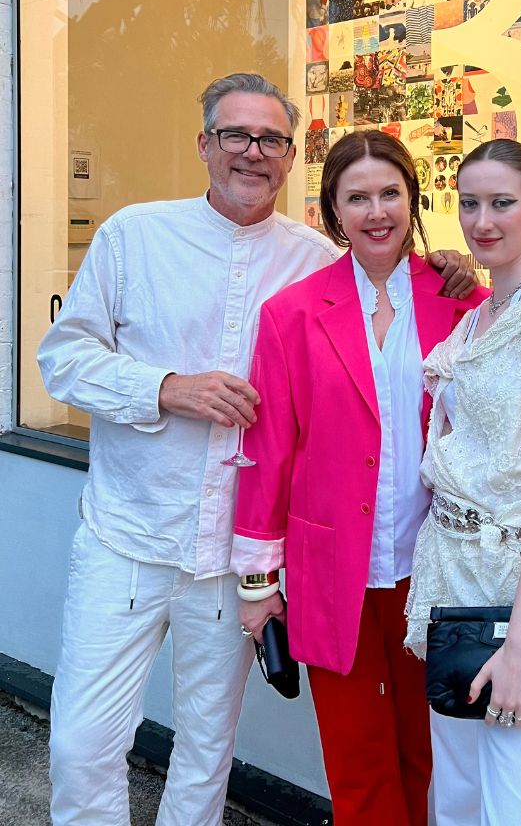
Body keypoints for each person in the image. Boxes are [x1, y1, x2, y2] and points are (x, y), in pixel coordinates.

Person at [36, 73, 477, 826]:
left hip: (227, 562)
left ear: (291, 156)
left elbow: (386, 286)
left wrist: (452, 270)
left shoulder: (315, 259)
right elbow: (62, 359)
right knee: (83, 745)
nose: (253, 152)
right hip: (129, 537)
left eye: (271, 139)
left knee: (207, 753)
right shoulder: (134, 236)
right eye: (235, 134)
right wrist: (165, 387)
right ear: (204, 144)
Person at [231, 131, 488, 826]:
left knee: (427, 755)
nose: (377, 212)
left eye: (390, 194)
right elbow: (269, 452)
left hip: (436, 566)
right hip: (331, 569)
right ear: (333, 211)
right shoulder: (290, 314)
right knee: (357, 763)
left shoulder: (465, 303)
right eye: (358, 198)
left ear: (413, 201)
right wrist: (257, 583)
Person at [405, 139, 521, 824]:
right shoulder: (480, 313)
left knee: (515, 802)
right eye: (469, 203)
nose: (482, 221)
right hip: (450, 574)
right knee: (455, 796)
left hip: (512, 579)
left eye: (502, 203)